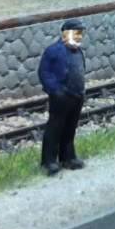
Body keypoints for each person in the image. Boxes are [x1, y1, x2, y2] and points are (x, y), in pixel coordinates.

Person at [37, 19, 88, 175]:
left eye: (80, 33)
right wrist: (55, 91)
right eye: (76, 33)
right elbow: (44, 72)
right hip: (61, 96)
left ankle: (68, 157)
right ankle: (49, 161)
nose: (79, 36)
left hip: (77, 95)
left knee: (70, 128)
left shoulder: (78, 51)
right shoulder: (53, 51)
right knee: (54, 128)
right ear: (66, 33)